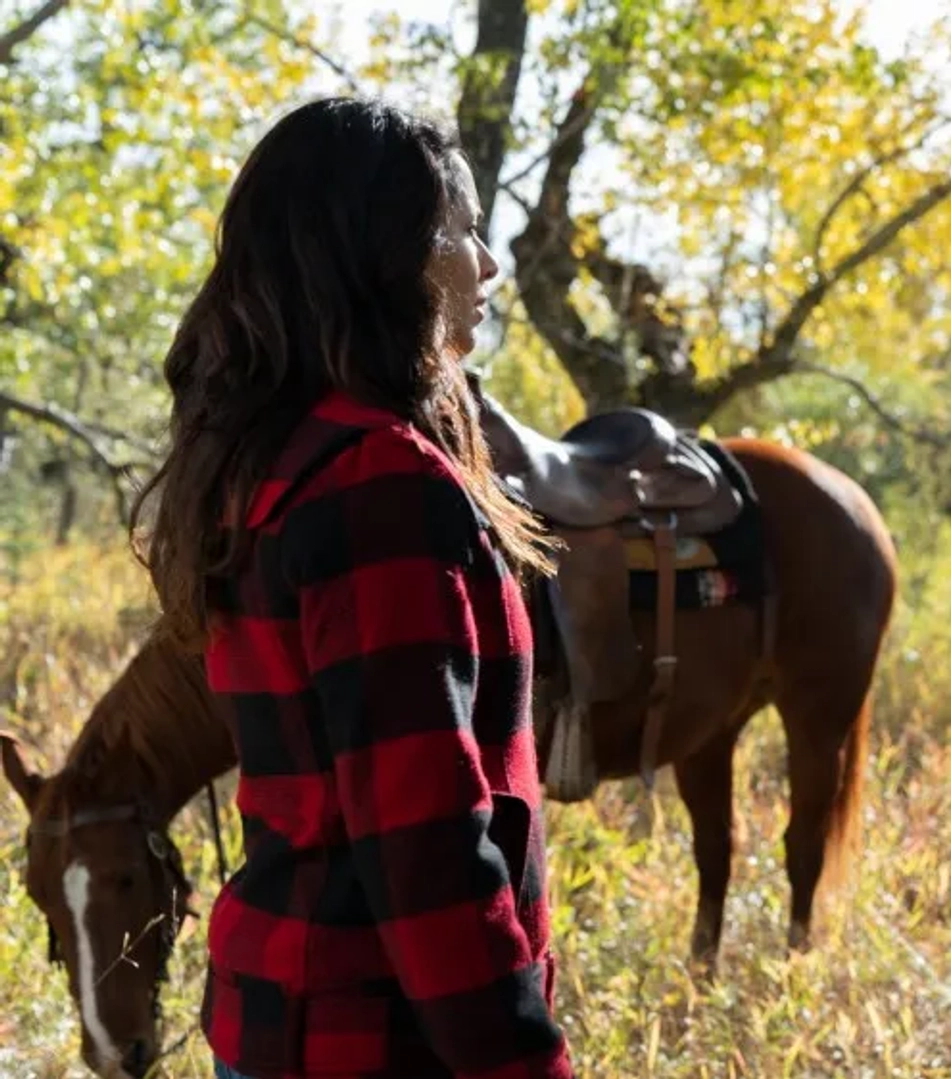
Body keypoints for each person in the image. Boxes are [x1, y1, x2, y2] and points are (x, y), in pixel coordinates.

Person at [129, 95, 574, 1078]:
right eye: (459, 230)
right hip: (376, 1042)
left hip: (285, 1019)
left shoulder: (271, 462)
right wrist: (521, 1059)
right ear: (389, 255)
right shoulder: (378, 483)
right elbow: (424, 844)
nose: (487, 263)